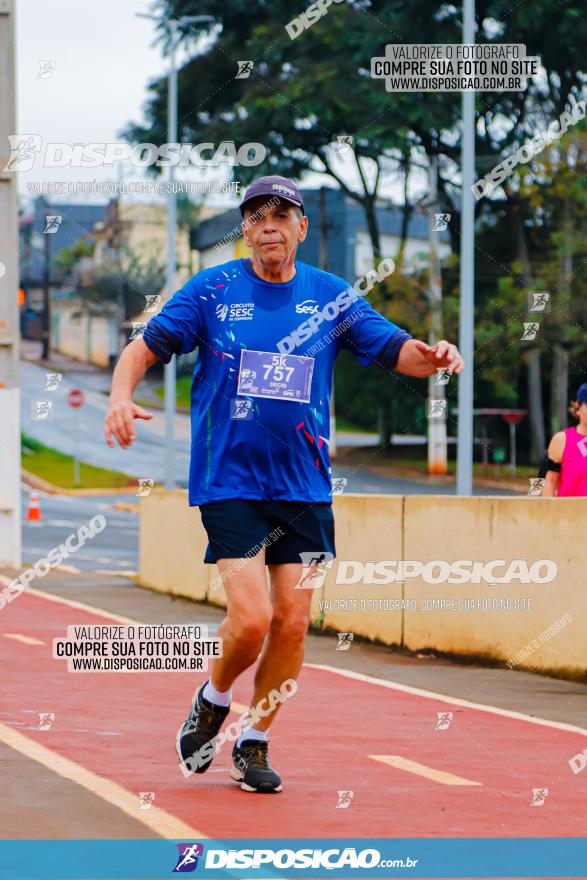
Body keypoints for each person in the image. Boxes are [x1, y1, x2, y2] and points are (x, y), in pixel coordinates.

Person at [103, 175, 464, 794]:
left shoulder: (331, 296)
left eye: (281, 214)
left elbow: (393, 349)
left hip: (305, 485)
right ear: (245, 229)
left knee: (294, 623)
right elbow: (145, 346)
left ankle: (255, 741)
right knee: (251, 620)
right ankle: (213, 700)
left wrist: (430, 357)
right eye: (256, 215)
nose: (268, 224)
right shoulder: (213, 290)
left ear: (301, 227)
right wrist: (118, 395)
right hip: (230, 481)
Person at [541, 384, 587, 496]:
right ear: (578, 408)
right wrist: (546, 511)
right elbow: (547, 481)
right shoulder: (562, 440)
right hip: (569, 512)